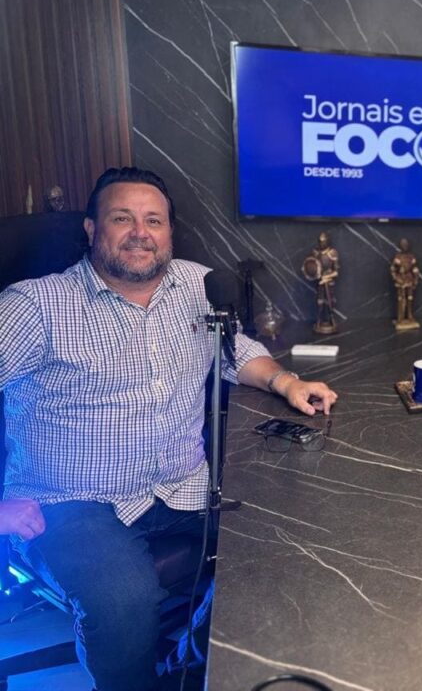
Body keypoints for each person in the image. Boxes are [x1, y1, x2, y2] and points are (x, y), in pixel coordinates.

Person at [0, 167, 338, 691]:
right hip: (70, 501)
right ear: (91, 229)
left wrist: (285, 381)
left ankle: (188, 667)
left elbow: (235, 347)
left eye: (153, 221)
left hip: (182, 485)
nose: (141, 232)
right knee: (123, 601)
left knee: (286, 543)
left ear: (169, 233)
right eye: (122, 218)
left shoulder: (194, 285)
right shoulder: (34, 306)